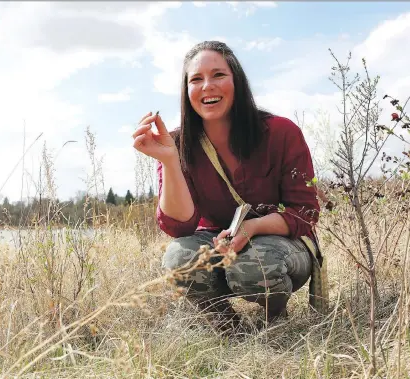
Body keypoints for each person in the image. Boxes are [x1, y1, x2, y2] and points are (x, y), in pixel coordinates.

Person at [132, 41, 321, 331]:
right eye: (196, 79)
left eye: (218, 75)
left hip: (280, 243)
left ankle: (275, 319)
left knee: (254, 263)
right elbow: (178, 227)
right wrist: (170, 161)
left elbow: (305, 212)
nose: (207, 85)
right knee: (178, 257)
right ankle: (226, 325)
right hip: (215, 241)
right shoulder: (176, 143)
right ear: (186, 91)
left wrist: (252, 228)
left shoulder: (281, 132)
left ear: (237, 81)